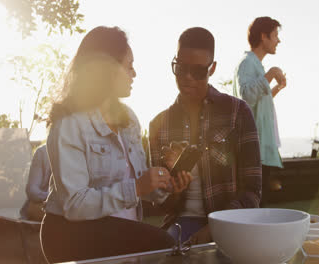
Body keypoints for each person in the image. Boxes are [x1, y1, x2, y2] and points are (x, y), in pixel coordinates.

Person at [40, 26, 187, 263]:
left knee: (166, 248)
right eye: (128, 66)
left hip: (121, 230)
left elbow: (137, 183)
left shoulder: (129, 120)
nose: (134, 73)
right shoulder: (69, 126)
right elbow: (75, 205)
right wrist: (137, 187)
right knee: (165, 245)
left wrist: (166, 182)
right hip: (70, 234)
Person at [149, 27, 262, 245]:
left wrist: (216, 227)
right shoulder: (158, 125)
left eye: (198, 71)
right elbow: (161, 205)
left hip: (232, 224)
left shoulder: (238, 112)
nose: (187, 78)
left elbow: (252, 190)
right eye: (181, 68)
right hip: (181, 226)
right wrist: (173, 190)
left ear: (213, 69)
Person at [233, 16, 286, 206]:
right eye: (275, 35)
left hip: (262, 148)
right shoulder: (247, 62)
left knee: (262, 205)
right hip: (254, 150)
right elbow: (245, 96)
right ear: (264, 37)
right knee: (255, 206)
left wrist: (276, 89)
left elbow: (258, 103)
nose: (278, 40)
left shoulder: (256, 65)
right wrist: (271, 74)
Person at [20, 144, 51, 221]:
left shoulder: (80, 152)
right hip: (43, 207)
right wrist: (52, 197)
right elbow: (31, 190)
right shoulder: (43, 152)